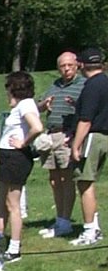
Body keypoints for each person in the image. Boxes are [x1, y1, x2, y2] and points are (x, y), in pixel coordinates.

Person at [0, 72, 43, 262]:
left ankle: (14, 248)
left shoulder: (25, 104)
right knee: (1, 201)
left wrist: (23, 142)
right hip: (7, 155)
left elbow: (37, 127)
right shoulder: (22, 105)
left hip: (16, 157)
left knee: (12, 204)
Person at [37, 52, 86, 238]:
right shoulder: (54, 85)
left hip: (68, 135)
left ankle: (65, 221)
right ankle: (59, 218)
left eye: (69, 65)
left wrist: (75, 105)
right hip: (52, 135)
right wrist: (44, 104)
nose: (66, 69)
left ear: (77, 66)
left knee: (67, 179)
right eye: (62, 66)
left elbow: (87, 109)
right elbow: (37, 106)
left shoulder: (82, 85)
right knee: (54, 179)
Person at [70, 47, 107, 246]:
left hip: (93, 136)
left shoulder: (92, 85)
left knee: (85, 183)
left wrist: (76, 145)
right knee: (89, 182)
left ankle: (89, 230)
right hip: (104, 136)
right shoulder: (106, 82)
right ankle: (96, 226)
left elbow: (86, 120)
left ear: (82, 65)